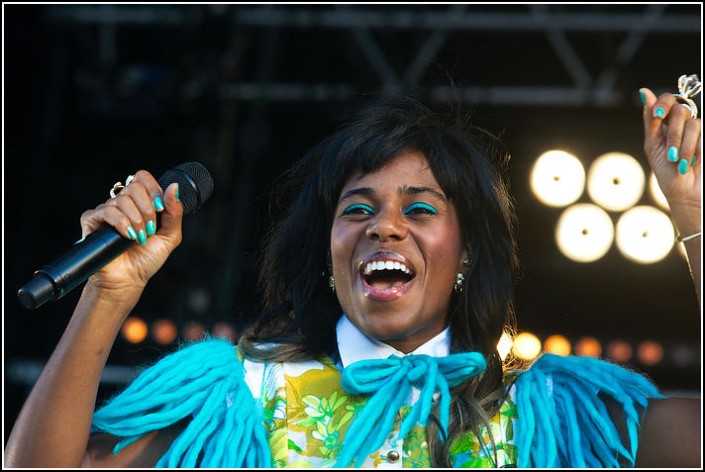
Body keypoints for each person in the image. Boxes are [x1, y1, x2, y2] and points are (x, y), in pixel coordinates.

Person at [5, 79, 702, 468]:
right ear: (328, 251)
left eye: (420, 208)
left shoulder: (553, 412)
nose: (384, 226)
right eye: (357, 208)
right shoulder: (240, 396)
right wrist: (109, 292)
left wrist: (694, 216)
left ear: (466, 256)